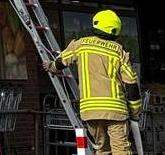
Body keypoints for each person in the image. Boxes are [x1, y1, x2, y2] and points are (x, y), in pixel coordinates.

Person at [56, 10, 142, 155]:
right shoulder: (119, 51)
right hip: (116, 111)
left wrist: (50, 66)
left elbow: (60, 62)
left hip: (91, 111)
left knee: (102, 149)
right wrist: (135, 112)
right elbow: (131, 84)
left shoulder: (81, 44)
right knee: (121, 149)